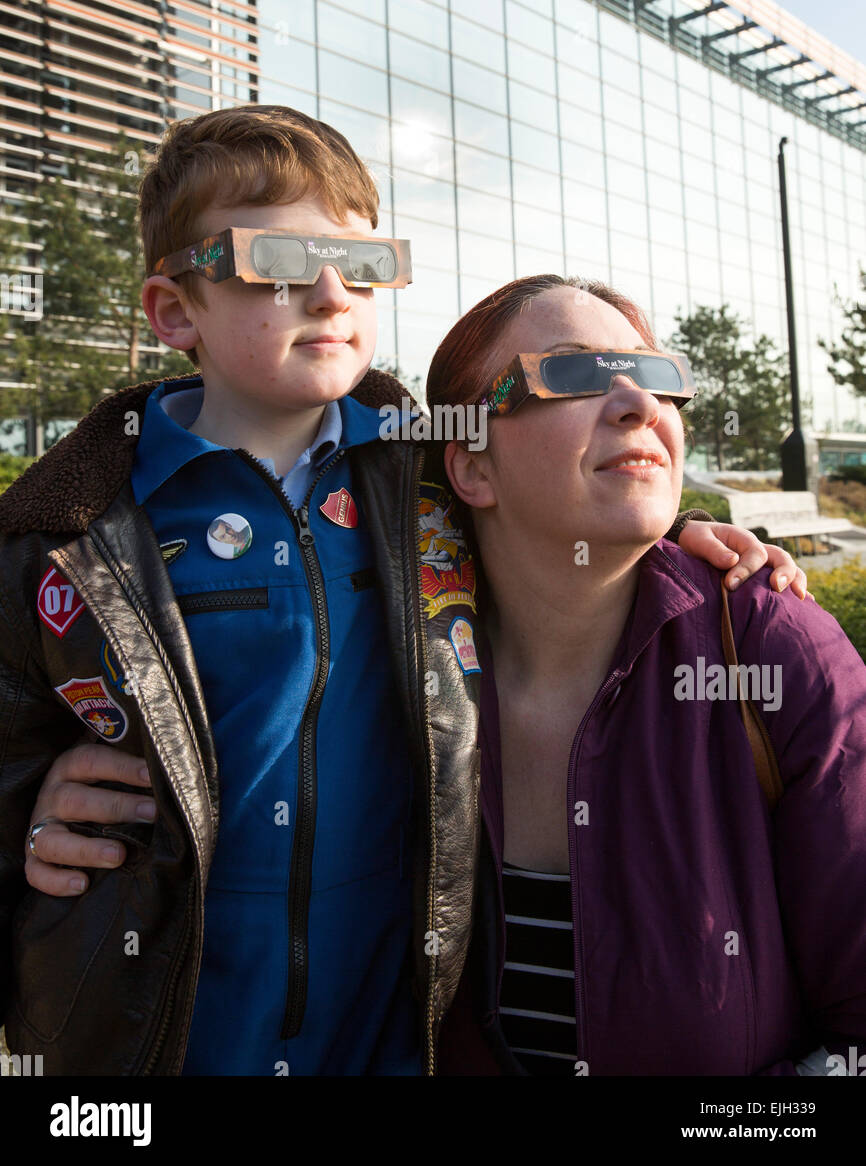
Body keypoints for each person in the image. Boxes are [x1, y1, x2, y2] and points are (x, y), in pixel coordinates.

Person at [0, 106, 805, 1079]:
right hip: (153, 1031)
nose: (333, 292)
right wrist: (31, 811)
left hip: (388, 1030)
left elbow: (547, 506)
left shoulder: (417, 480)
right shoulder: (69, 536)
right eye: (280, 261)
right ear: (175, 310)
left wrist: (676, 535)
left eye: (363, 262)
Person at [420, 273, 866, 1076]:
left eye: (656, 376)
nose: (639, 404)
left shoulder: (775, 649)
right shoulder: (385, 667)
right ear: (472, 468)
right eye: (574, 373)